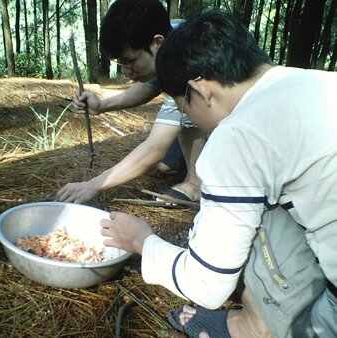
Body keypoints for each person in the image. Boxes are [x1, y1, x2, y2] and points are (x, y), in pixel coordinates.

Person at [100, 10, 337, 338]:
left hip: (329, 320)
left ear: (201, 89)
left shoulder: (239, 134)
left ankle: (256, 328)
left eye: (184, 107)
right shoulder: (315, 81)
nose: (191, 120)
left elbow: (208, 285)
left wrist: (141, 240)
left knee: (252, 214)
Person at [55, 0, 207, 204]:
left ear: (157, 42)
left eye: (129, 62)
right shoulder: (170, 33)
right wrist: (101, 106)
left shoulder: (186, 61)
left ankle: (195, 183)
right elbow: (150, 86)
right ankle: (181, 165)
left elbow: (155, 148)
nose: (125, 73)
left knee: (186, 113)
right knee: (162, 162)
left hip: (245, 126)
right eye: (120, 63)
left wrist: (94, 184)